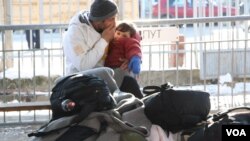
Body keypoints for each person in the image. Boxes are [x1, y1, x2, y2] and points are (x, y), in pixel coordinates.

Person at [62, 0, 143, 98]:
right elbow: (83, 66)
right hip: (82, 81)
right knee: (127, 82)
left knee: (127, 78)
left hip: (104, 77)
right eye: (112, 19)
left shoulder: (106, 27)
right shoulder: (75, 33)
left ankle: (141, 109)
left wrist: (128, 58)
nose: (115, 23)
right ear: (99, 21)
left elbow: (131, 39)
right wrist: (104, 40)